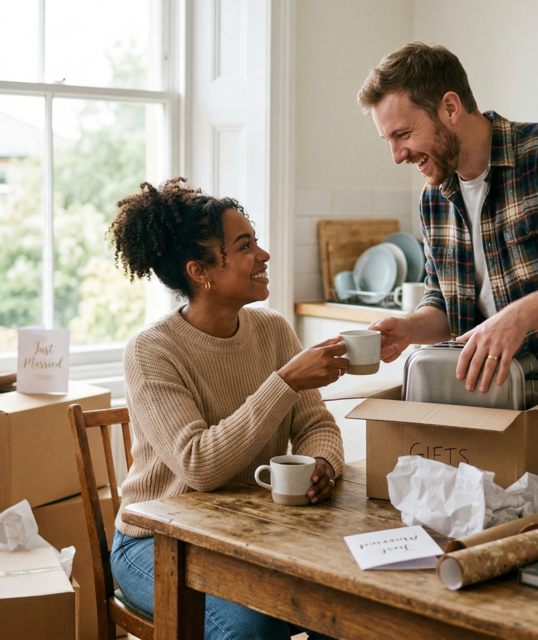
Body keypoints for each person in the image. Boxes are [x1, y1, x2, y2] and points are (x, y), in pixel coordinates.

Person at [358, 43, 538, 497]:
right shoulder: (434, 199)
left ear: (450, 107)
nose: (397, 154)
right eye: (388, 140)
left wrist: (518, 316)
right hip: (495, 421)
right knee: (503, 560)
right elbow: (447, 304)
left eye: (403, 134)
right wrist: (410, 328)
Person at [107, 177, 345, 640]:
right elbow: (200, 466)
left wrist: (323, 463)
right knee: (248, 630)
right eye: (245, 246)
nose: (264, 255)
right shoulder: (151, 351)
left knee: (344, 610)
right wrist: (285, 381)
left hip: (249, 534)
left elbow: (317, 423)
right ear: (202, 271)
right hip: (156, 544)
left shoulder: (272, 330)